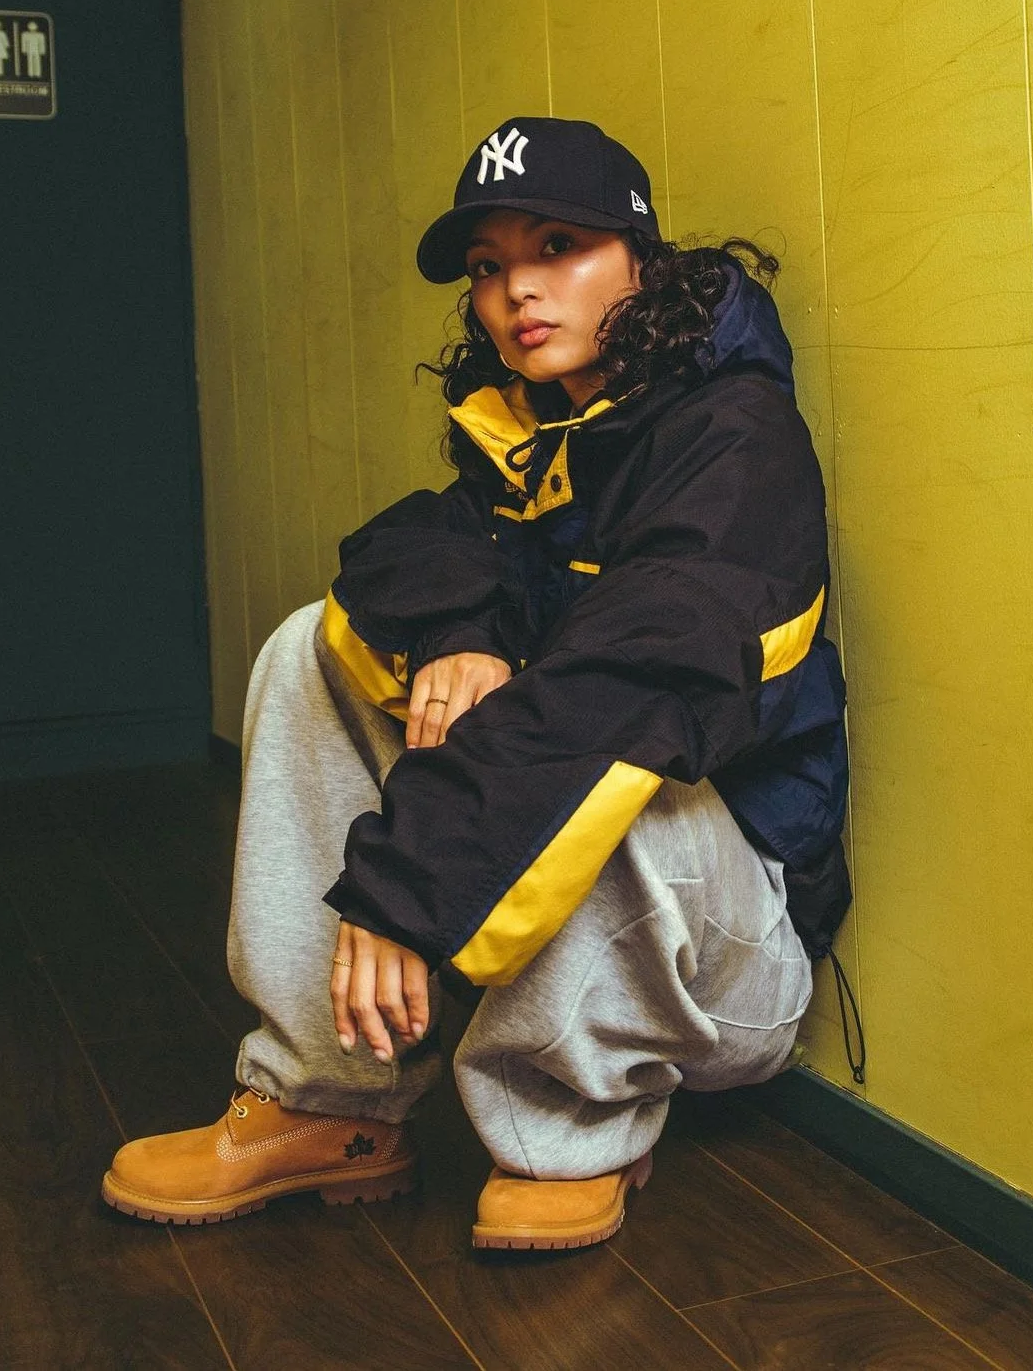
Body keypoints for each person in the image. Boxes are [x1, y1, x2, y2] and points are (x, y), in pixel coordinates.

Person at [101, 117, 850, 1251]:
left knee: (612, 746)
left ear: (643, 266)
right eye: (492, 267)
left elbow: (622, 681)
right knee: (314, 643)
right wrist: (462, 631)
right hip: (603, 887)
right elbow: (413, 547)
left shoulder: (739, 441)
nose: (517, 292)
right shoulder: (529, 428)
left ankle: (573, 1123)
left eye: (558, 246)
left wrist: (400, 888)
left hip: (736, 961)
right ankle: (327, 1101)